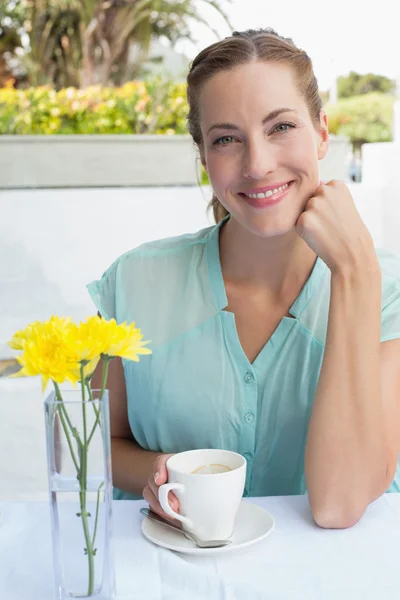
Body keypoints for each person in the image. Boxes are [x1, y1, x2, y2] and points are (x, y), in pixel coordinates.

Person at [87, 28, 400, 529]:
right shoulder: (134, 282)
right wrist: (154, 471)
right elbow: (94, 447)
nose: (258, 164)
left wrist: (355, 272)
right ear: (204, 157)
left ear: (322, 133)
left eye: (281, 127)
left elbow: (339, 505)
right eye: (227, 139)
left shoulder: (385, 290)